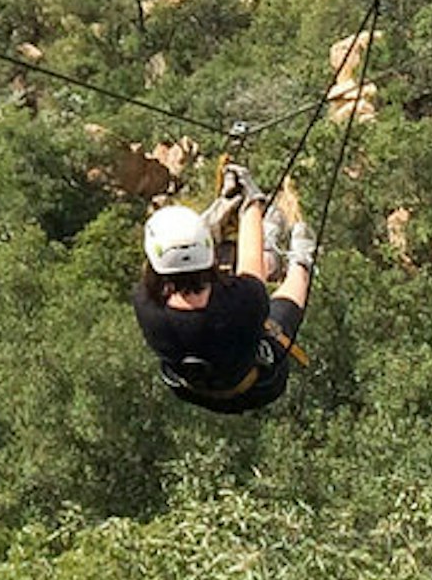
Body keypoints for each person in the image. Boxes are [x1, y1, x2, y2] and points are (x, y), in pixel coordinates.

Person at [135, 165, 316, 414]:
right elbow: (252, 269)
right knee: (281, 312)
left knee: (236, 284)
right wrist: (252, 205)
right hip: (257, 387)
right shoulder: (238, 304)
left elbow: (181, 261)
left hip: (190, 388)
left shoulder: (145, 302)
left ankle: (271, 249)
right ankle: (301, 262)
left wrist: (223, 204)